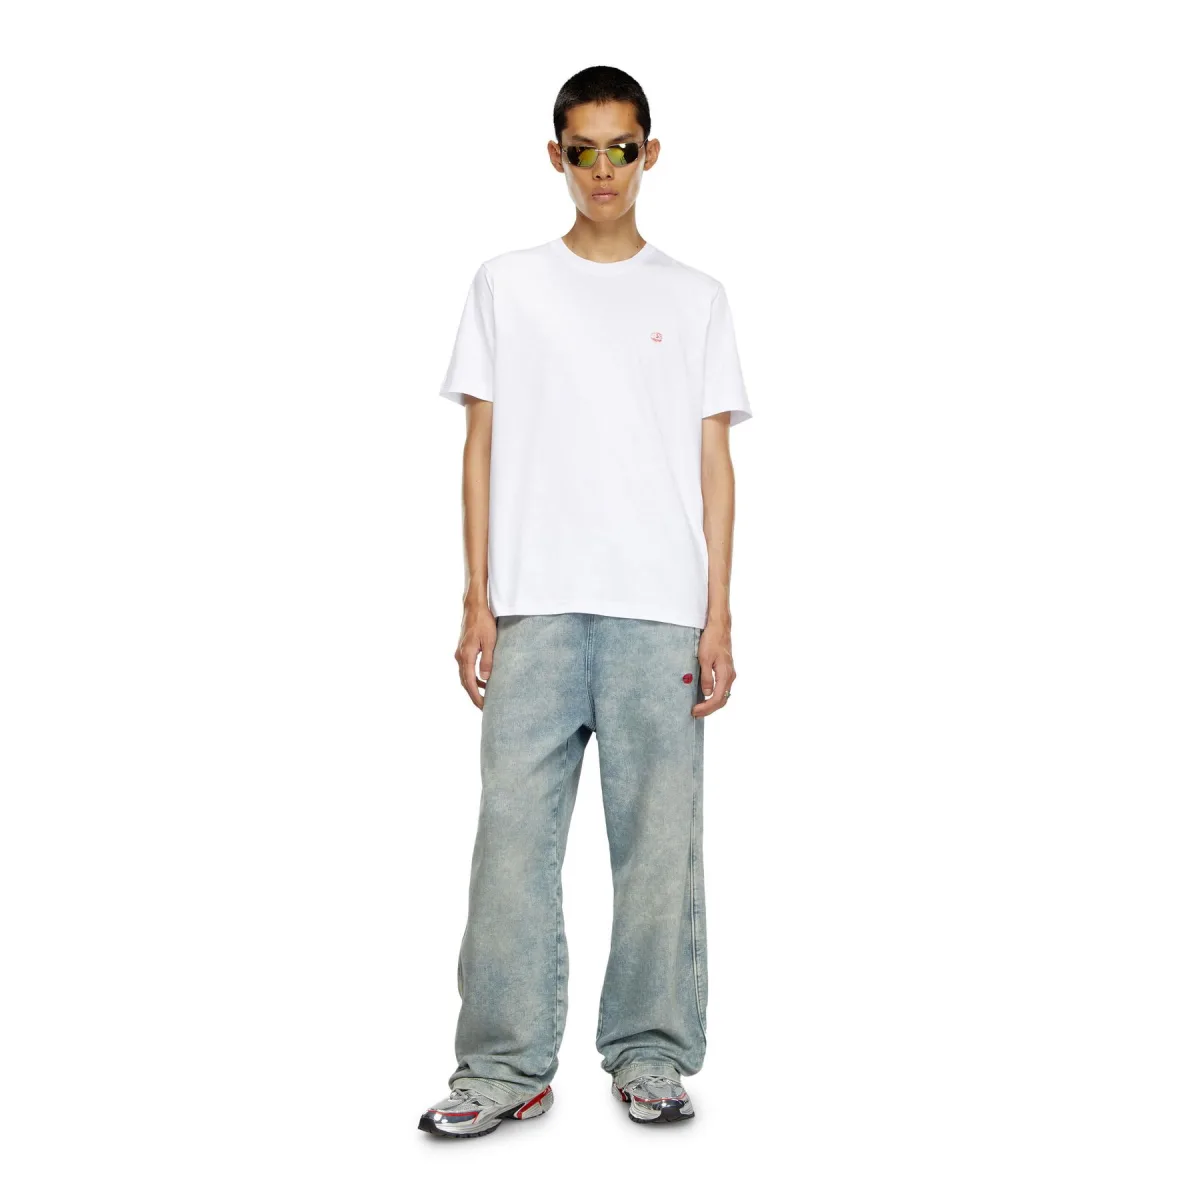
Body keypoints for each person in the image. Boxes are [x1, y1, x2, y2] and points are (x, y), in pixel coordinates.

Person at [418, 64, 752, 1138]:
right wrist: (476, 600)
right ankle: (502, 1065)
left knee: (660, 848)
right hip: (534, 606)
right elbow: (479, 448)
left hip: (659, 609)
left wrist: (719, 614)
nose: (603, 170)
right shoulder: (506, 284)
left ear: (650, 154)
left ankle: (651, 1054)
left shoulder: (695, 297)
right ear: (555, 157)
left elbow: (714, 463)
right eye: (582, 150)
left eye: (621, 148)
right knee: (511, 843)